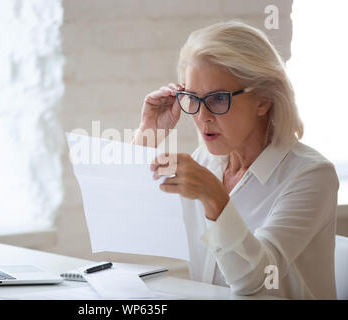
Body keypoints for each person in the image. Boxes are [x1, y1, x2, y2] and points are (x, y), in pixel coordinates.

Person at [133, 21, 339, 299]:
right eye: (192, 97)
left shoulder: (312, 176)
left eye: (218, 99)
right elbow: (135, 221)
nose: (202, 116)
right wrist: (148, 135)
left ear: (263, 100)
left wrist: (216, 199)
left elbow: (254, 282)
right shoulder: (205, 161)